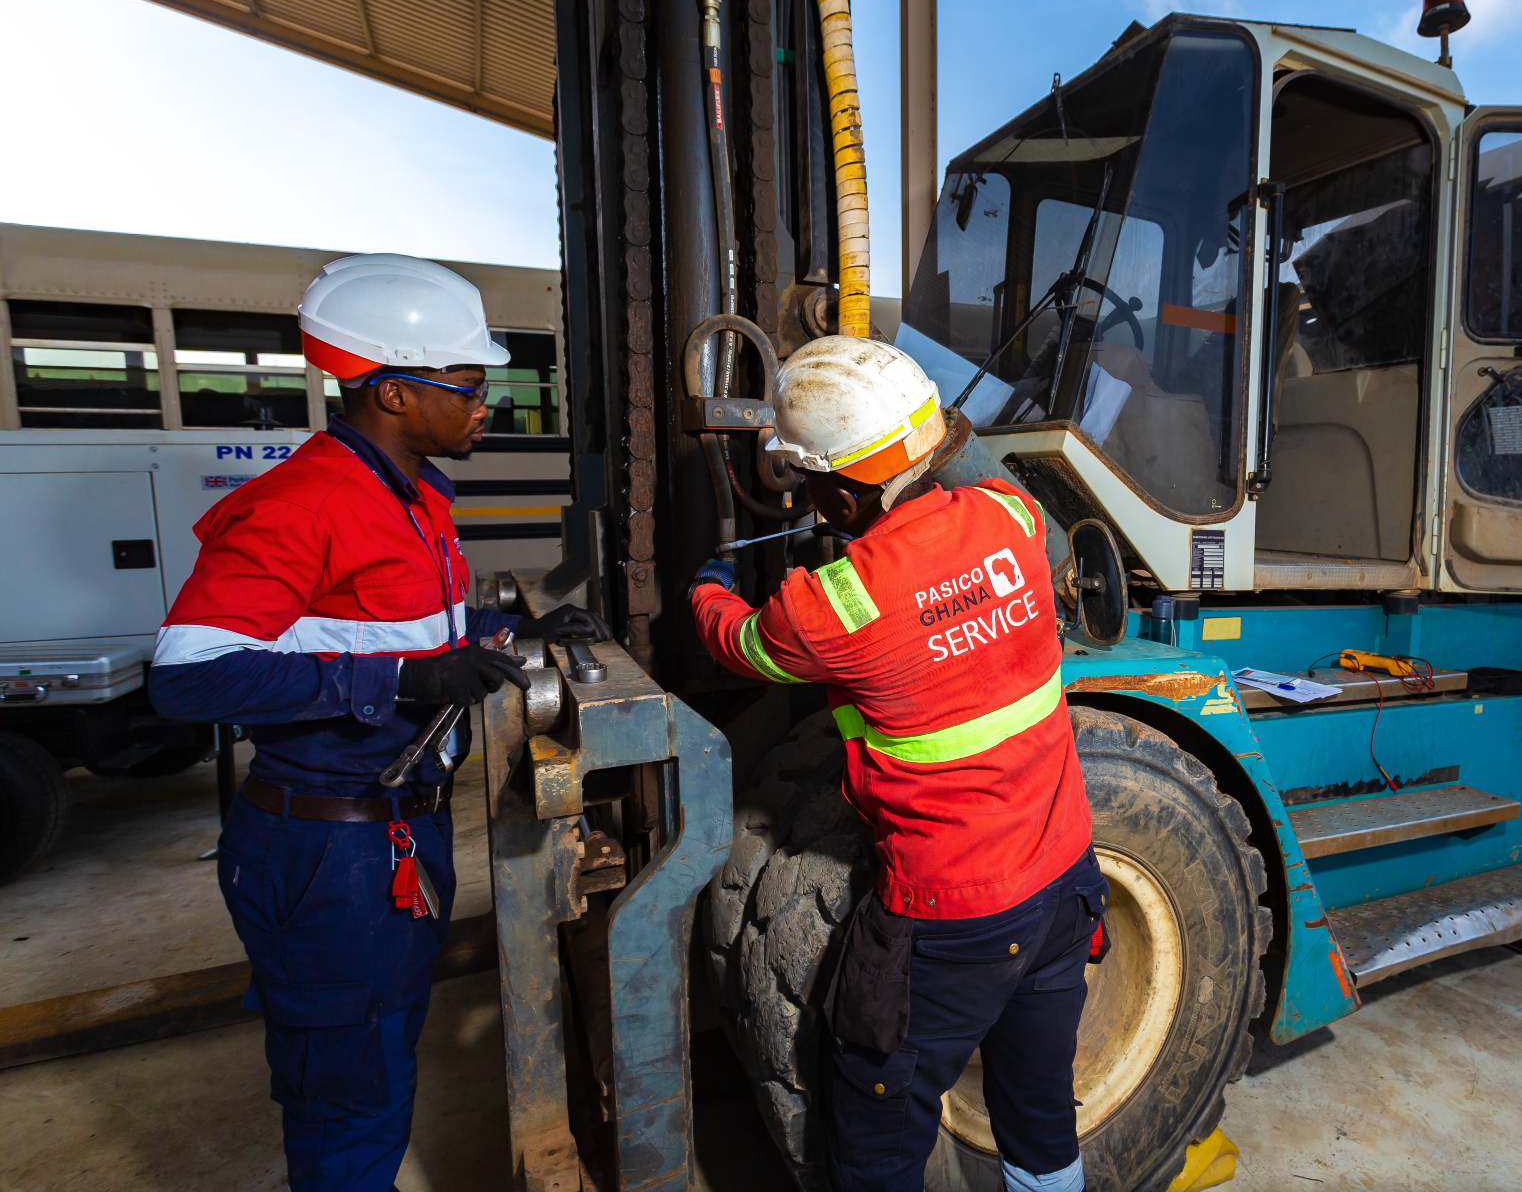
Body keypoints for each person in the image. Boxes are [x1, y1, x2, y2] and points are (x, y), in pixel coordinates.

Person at [148, 253, 609, 1192]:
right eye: (471, 385)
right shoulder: (306, 504)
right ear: (394, 392)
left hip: (392, 837)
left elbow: (399, 629)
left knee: (384, 1061)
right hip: (328, 857)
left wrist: (512, 629)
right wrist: (400, 681)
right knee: (349, 1101)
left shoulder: (410, 495)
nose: (491, 405)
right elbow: (188, 680)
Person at [689, 335, 1106, 1192]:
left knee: (874, 1132)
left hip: (951, 920)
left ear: (838, 495)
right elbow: (964, 486)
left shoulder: (828, 605)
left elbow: (741, 644)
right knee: (1039, 1116)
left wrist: (705, 582)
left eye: (809, 486)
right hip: (1065, 883)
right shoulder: (1016, 519)